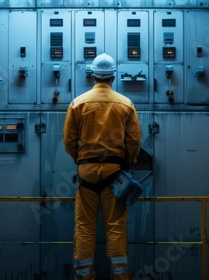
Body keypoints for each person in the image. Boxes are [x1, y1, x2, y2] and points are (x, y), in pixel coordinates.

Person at [63, 53, 141, 279]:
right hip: (114, 174)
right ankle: (120, 276)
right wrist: (129, 161)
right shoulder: (125, 104)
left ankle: (84, 276)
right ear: (113, 77)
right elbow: (134, 140)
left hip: (86, 174)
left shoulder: (78, 103)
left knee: (85, 228)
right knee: (115, 227)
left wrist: (80, 158)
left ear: (93, 76)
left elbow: (68, 139)